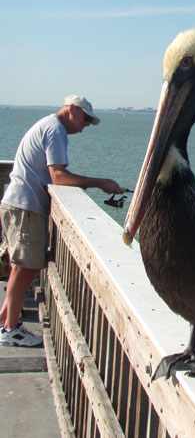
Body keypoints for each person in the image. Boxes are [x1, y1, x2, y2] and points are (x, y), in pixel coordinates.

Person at [0, 95, 124, 346]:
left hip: (20, 204)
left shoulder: (48, 125)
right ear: (71, 109)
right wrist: (100, 183)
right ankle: (11, 330)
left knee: (22, 267)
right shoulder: (56, 130)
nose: (86, 124)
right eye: (85, 118)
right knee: (25, 267)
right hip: (26, 206)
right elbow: (58, 176)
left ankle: (4, 321)